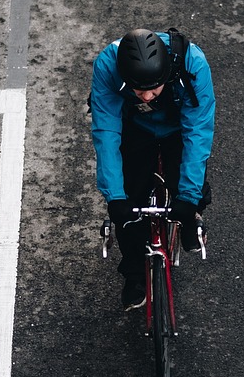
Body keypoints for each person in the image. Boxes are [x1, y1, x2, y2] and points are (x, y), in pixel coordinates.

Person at [90, 27, 216, 309]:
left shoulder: (193, 63)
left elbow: (198, 131)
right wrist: (115, 197)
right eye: (138, 90)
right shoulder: (107, 66)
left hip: (178, 127)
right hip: (134, 126)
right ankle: (135, 273)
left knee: (188, 185)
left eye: (153, 90)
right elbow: (106, 132)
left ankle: (189, 220)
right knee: (129, 199)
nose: (146, 97)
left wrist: (188, 197)